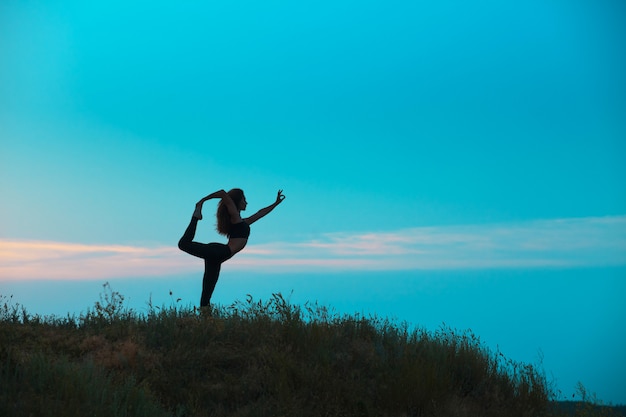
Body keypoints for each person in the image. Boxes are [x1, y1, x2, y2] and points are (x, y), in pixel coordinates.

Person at [178, 188, 285, 310]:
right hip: (219, 252)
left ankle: (206, 323)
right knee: (183, 244)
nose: (246, 203)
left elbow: (260, 213)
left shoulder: (243, 222)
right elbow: (223, 193)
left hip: (218, 257)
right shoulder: (235, 217)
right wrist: (202, 202)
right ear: (237, 202)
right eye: (244, 200)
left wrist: (276, 203)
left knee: (206, 295)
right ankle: (195, 217)